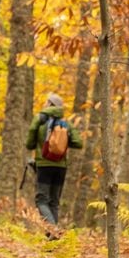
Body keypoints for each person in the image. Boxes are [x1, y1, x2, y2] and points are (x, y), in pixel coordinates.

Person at [24, 93, 83, 232]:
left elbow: (29, 143)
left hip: (44, 166)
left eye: (46, 102)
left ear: (50, 104)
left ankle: (53, 230)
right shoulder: (65, 123)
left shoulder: (39, 119)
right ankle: (53, 239)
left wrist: (38, 144)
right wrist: (62, 144)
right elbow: (78, 143)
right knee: (54, 202)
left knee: (41, 200)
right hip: (61, 167)